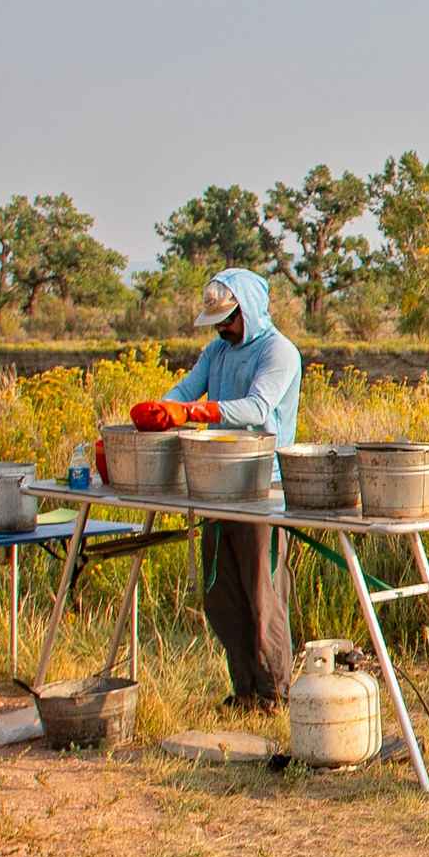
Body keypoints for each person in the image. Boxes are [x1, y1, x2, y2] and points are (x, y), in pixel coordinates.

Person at [128, 266, 302, 705]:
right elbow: (186, 390)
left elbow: (257, 406)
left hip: (263, 487)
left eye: (229, 319)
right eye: (218, 322)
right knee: (221, 593)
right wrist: (162, 410)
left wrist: (196, 414)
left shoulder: (278, 352)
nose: (223, 328)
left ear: (250, 310)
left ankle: (273, 694)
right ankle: (243, 691)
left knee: (262, 597)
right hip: (217, 483)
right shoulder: (218, 352)